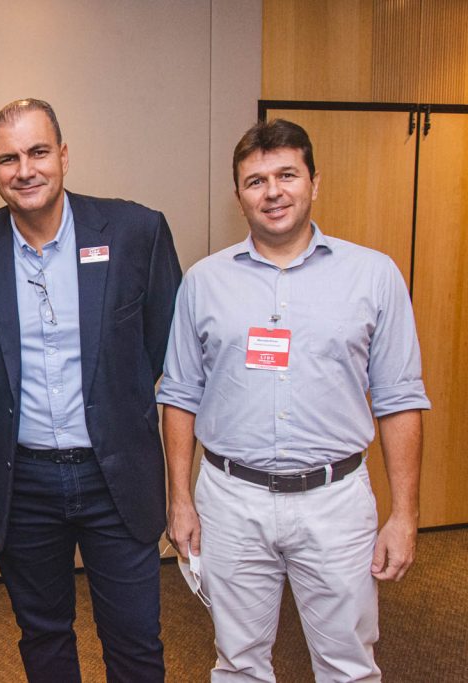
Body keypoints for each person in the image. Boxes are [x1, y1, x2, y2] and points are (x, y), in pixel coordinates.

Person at [158, 119, 429, 682]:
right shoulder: (204, 282)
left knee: (348, 664)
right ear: (239, 197)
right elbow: (180, 395)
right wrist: (179, 497)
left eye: (287, 174)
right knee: (238, 662)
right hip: (231, 500)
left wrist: (405, 515)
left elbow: (400, 399)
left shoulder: (373, 276)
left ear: (314, 181)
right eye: (256, 181)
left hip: (335, 502)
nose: (273, 191)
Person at [0, 98, 182, 682]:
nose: (25, 170)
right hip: (21, 479)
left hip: (115, 474)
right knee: (44, 637)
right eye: (8, 159)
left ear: (63, 154)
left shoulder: (136, 230)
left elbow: (167, 344)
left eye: (38, 152)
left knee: (135, 639)